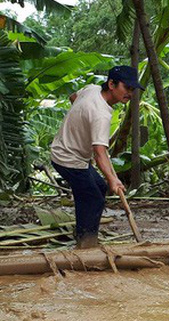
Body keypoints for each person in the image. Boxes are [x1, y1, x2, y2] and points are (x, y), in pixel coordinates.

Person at [50, 65, 143, 248]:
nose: (130, 94)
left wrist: (80, 125)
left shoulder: (91, 89)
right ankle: (86, 243)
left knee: (99, 187)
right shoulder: (101, 114)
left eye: (132, 90)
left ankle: (83, 231)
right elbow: (100, 154)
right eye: (127, 88)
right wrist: (113, 179)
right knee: (93, 198)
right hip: (68, 159)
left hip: (70, 154)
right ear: (111, 84)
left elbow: (73, 98)